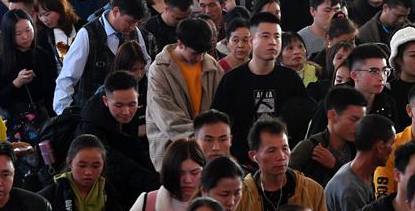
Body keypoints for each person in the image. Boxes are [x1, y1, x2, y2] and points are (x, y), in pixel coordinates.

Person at [211, 13, 307, 165]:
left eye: (277, 37)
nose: (273, 42)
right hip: (242, 163)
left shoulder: (290, 79)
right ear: (251, 41)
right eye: (266, 36)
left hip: (283, 161)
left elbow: (303, 121)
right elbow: (217, 123)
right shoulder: (232, 80)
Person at [53, 0, 152, 115]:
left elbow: (146, 67)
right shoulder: (87, 34)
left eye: (137, 23)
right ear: (115, 12)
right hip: (91, 112)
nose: (133, 27)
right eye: (130, 22)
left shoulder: (136, 33)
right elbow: (67, 78)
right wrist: (64, 114)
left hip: (125, 112)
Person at [145, 18, 222, 168]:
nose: (200, 58)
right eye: (195, 53)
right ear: (180, 44)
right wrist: (208, 139)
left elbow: (221, 107)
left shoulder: (211, 65)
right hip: (172, 151)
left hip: (208, 152)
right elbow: (169, 120)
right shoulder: (159, 70)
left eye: (204, 53)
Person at [325, 113, 395, 211]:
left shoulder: (358, 172)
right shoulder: (350, 190)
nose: (392, 150)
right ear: (380, 147)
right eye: (391, 144)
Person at [38, 135, 125, 211]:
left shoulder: (109, 192)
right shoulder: (50, 195)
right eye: (82, 166)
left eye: (96, 166)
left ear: (103, 165)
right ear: (69, 162)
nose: (88, 172)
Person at [290, 85, 365, 187]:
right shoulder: (309, 148)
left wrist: (335, 165)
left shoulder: (358, 150)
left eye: (362, 121)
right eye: (353, 119)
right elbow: (284, 180)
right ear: (332, 115)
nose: (359, 126)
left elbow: (361, 184)